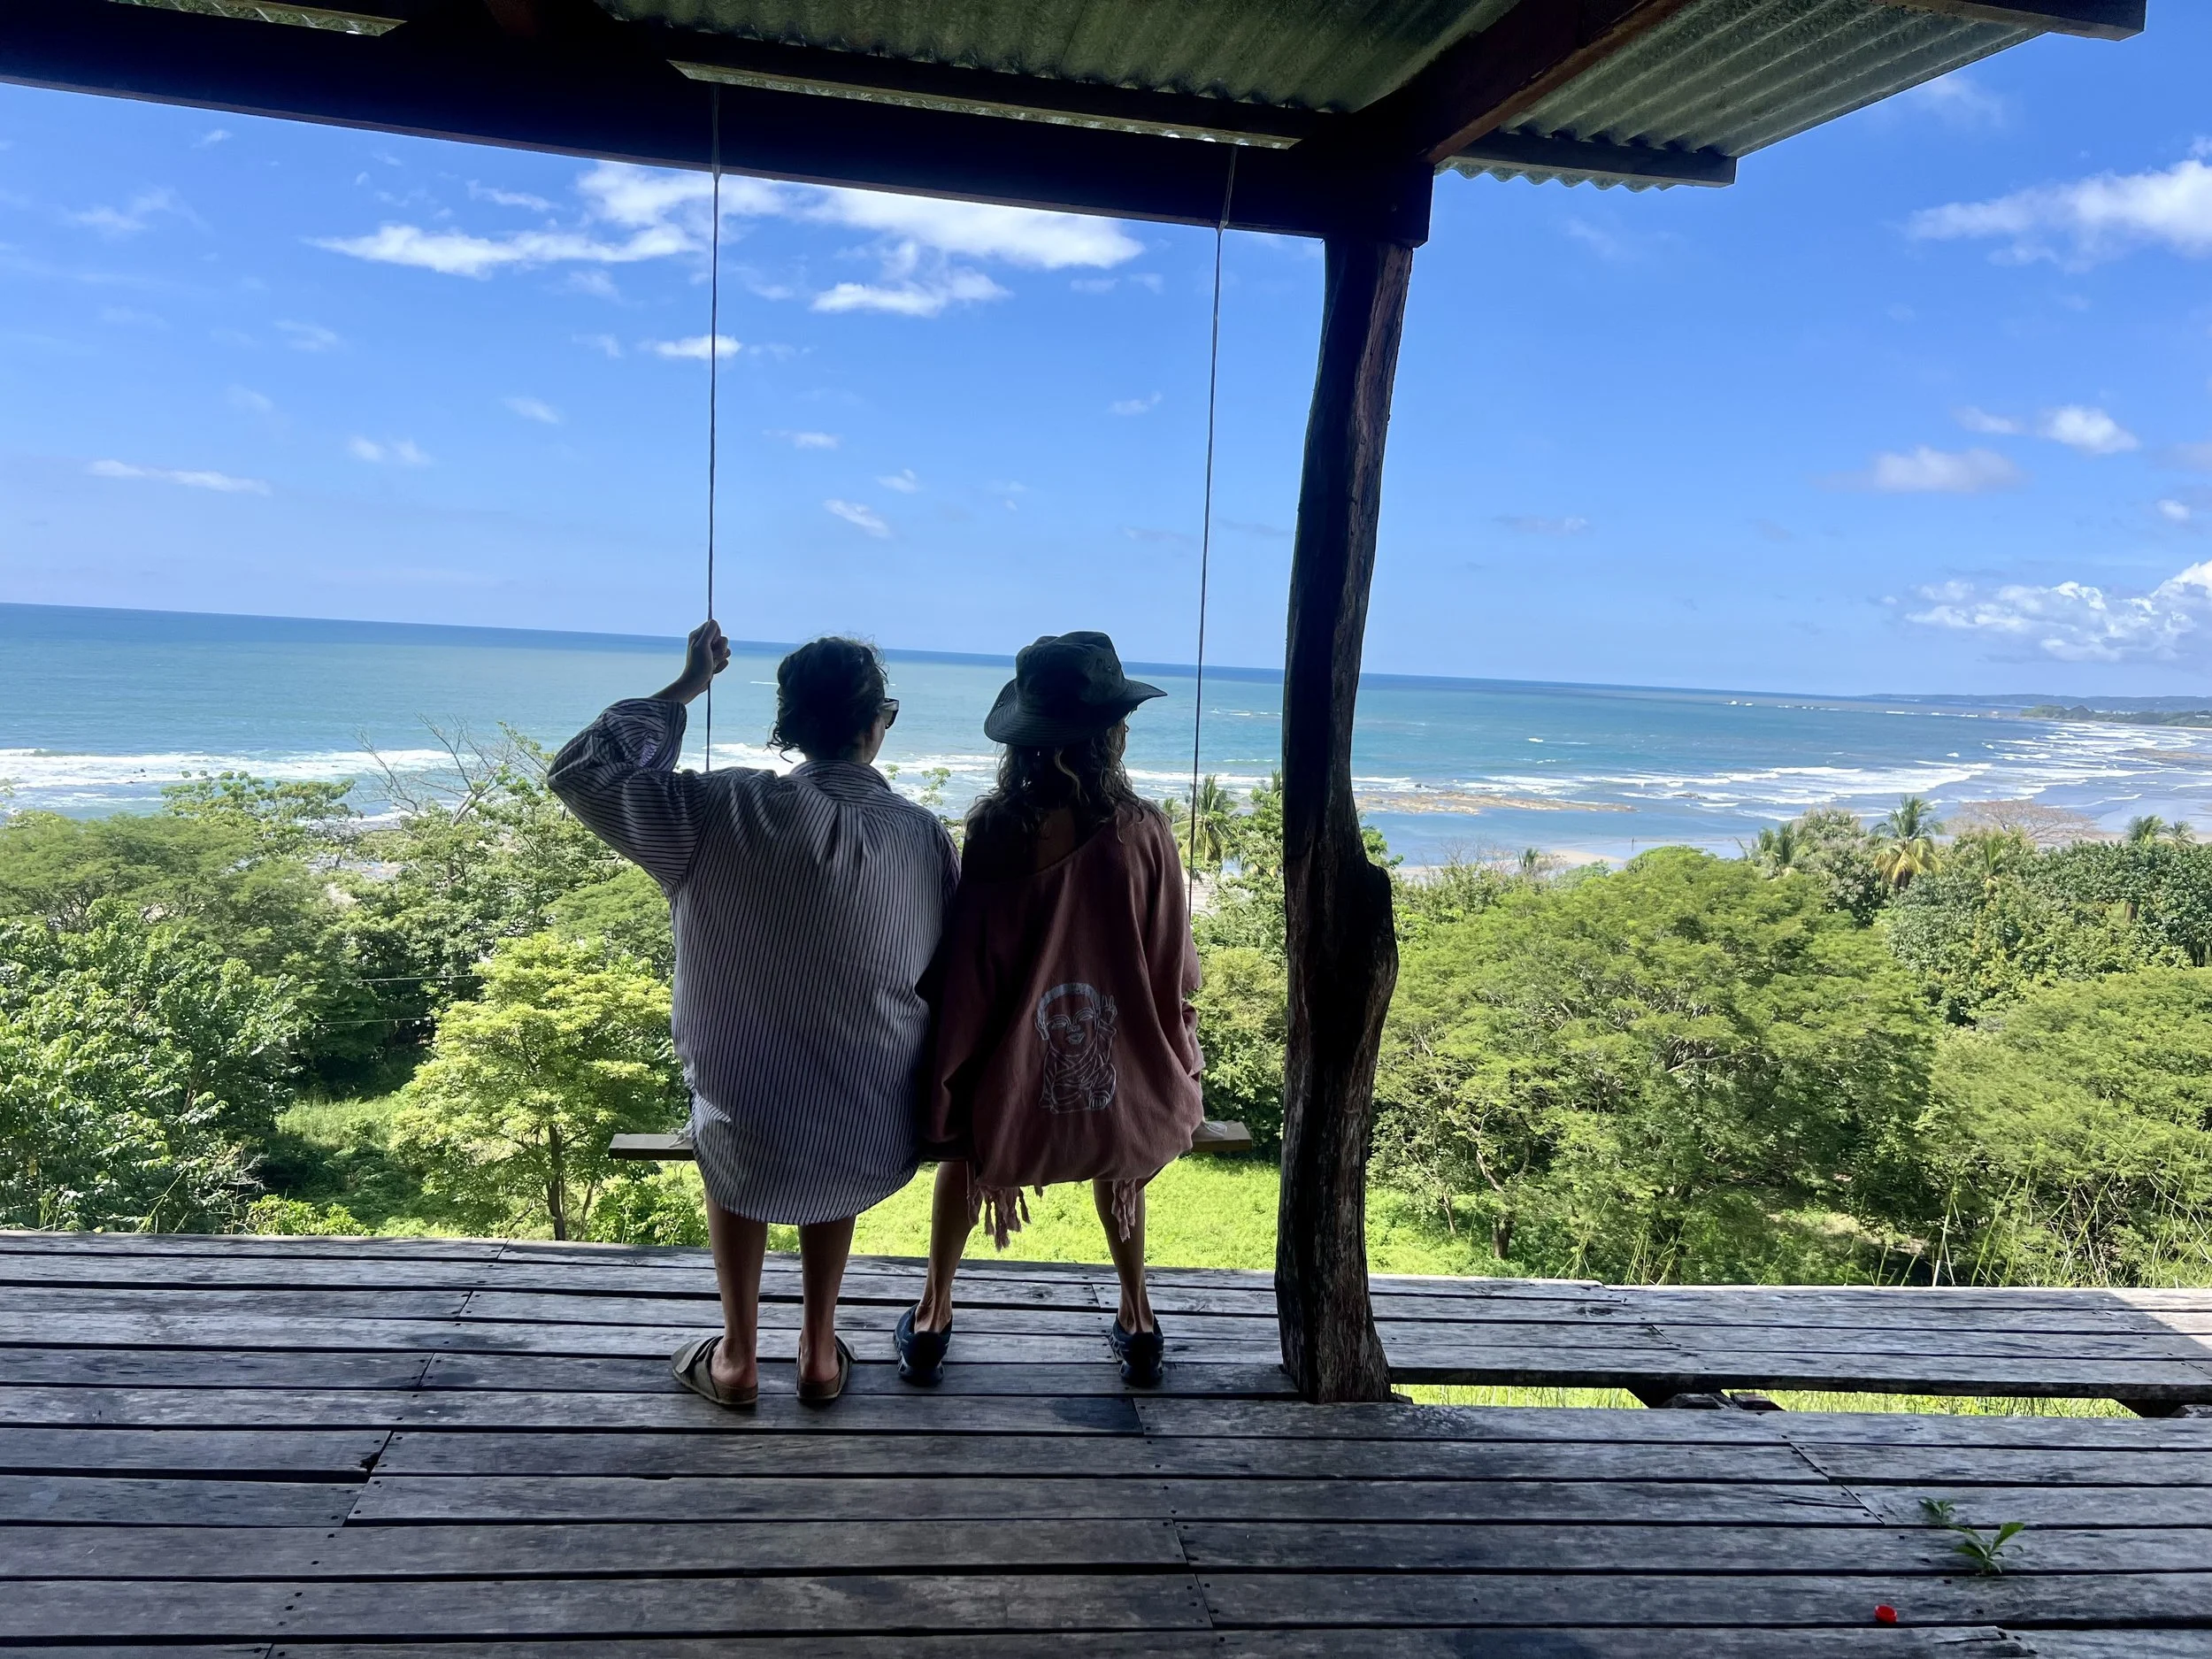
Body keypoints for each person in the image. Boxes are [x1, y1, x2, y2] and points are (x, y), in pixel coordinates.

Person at [549, 620, 957, 1408]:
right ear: (878, 722)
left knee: (735, 1112)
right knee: (836, 1100)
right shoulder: (920, 834)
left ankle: (737, 1356)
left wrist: (685, 689)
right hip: (872, 1110)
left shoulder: (718, 807)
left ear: (789, 727)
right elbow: (937, 971)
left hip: (746, 1102)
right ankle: (817, 1351)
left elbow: (581, 771)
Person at [900, 631, 1202, 1389]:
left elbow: (972, 968)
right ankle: (1137, 1319)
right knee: (1121, 1155)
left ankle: (934, 1314)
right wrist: (1169, 1046)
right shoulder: (1143, 831)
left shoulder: (998, 832)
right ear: (1109, 733)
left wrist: (963, 1069)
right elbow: (1173, 969)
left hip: (1011, 1080)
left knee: (968, 1151)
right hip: (1120, 1079)